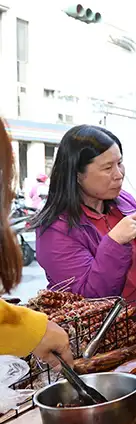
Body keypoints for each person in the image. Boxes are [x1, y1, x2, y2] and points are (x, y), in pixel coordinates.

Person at [33, 126, 136, 325]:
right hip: (97, 338)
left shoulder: (124, 202)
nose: (119, 174)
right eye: (107, 168)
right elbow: (88, 299)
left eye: (120, 163)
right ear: (77, 174)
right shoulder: (55, 229)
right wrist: (115, 242)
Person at [0, 119, 72, 369]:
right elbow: (91, 285)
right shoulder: (55, 225)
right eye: (107, 166)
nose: (118, 174)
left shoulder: (124, 206)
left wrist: (30, 328)